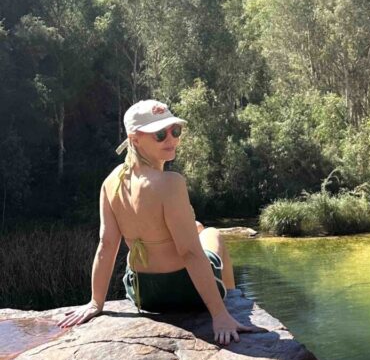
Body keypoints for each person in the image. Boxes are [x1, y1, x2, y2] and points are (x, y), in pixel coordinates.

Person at [60, 99, 259, 345]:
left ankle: (228, 301)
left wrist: (95, 302)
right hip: (186, 293)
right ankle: (230, 302)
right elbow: (188, 252)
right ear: (134, 138)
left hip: (143, 295)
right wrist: (219, 316)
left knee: (196, 227)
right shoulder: (170, 183)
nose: (171, 139)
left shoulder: (111, 182)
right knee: (213, 234)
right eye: (160, 134)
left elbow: (107, 245)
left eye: (175, 130)